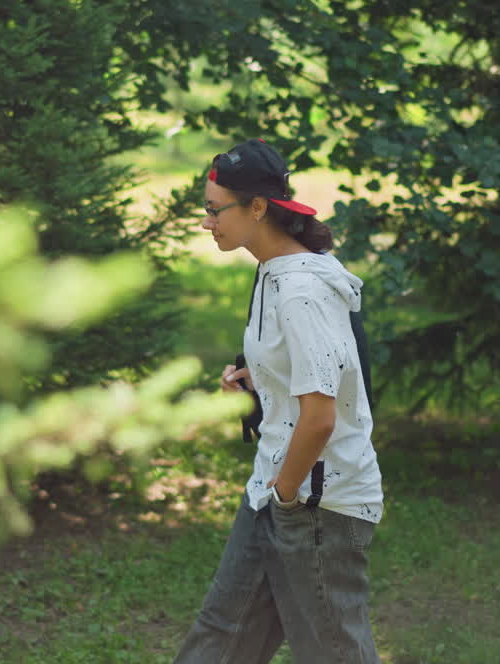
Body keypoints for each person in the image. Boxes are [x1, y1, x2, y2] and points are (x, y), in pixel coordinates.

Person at [174, 139, 383, 664]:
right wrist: (256, 380)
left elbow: (319, 416)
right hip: (272, 493)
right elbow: (310, 370)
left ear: (258, 208)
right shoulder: (274, 271)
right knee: (222, 638)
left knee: (332, 653)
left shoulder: (303, 291)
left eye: (214, 209)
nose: (206, 222)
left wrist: (288, 496)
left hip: (316, 506)